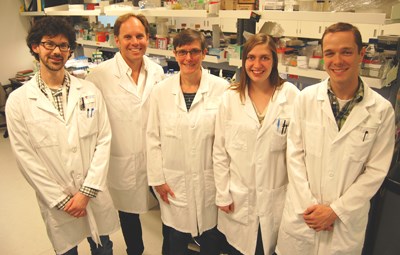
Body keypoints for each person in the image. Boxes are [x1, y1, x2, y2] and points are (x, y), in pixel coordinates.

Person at [276, 22, 395, 255]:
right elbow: (294, 155)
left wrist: (335, 211)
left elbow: (375, 172)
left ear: (361, 54)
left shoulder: (381, 111)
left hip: (344, 224)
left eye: (346, 52)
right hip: (303, 218)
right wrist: (310, 208)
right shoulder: (306, 99)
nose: (337, 61)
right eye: (330, 53)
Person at [6, 17, 119, 255]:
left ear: (70, 51)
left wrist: (87, 191)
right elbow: (26, 158)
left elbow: (103, 140)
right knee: (68, 250)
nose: (57, 51)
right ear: (35, 47)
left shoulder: (89, 90)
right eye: (49, 44)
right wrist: (60, 199)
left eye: (63, 45)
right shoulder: (18, 101)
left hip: (92, 193)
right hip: (58, 201)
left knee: (103, 247)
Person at [213, 33, 299, 255]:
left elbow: (300, 155)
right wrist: (222, 193)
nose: (257, 65)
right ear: (244, 61)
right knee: (238, 249)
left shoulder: (291, 96)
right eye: (251, 58)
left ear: (274, 61)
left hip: (277, 199)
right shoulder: (230, 98)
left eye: (264, 58)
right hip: (239, 199)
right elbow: (220, 152)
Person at [86, 13, 163, 255]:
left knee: (169, 210)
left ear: (147, 38)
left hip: (156, 157)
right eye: (127, 36)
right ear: (116, 40)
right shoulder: (99, 76)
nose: (135, 42)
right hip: (121, 158)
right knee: (128, 213)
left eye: (140, 36)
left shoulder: (157, 71)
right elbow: (90, 123)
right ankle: (135, 251)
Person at [146, 28, 229, 255]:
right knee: (175, 237)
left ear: (204, 53)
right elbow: (152, 137)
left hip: (209, 180)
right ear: (174, 54)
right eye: (182, 52)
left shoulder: (222, 90)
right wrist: (157, 179)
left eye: (194, 51)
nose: (188, 58)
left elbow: (228, 141)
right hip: (174, 182)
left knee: (211, 238)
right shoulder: (161, 92)